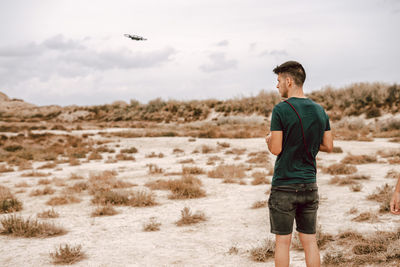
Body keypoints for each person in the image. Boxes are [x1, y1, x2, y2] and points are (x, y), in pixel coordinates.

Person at [265, 61, 333, 267]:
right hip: (309, 185)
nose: (277, 86)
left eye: (278, 81)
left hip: (285, 185)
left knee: (283, 243)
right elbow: (328, 145)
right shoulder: (320, 110)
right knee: (310, 241)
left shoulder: (281, 110)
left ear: (289, 81)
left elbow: (276, 149)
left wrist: (268, 140)